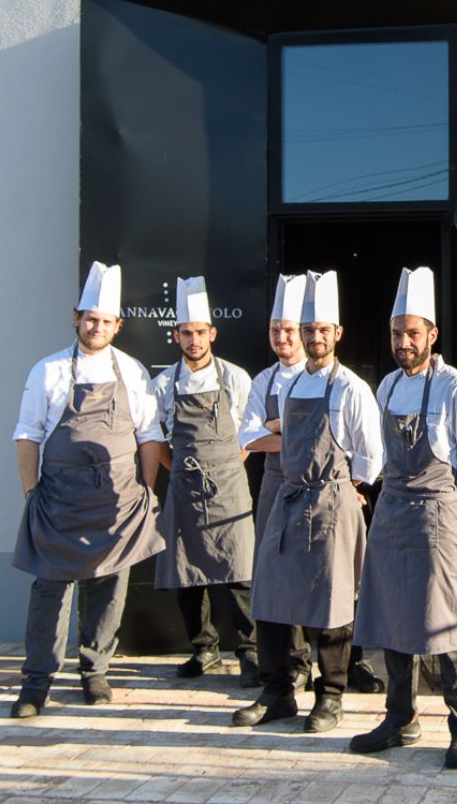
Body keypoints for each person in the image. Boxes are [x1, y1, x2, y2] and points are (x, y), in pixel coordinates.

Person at [9, 261, 164, 718]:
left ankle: (95, 670)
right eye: (90, 319)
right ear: (75, 318)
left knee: (110, 586)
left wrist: (147, 493)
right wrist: (31, 493)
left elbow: (148, 435)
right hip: (58, 500)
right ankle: (36, 682)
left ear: (118, 325)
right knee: (50, 591)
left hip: (116, 501)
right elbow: (27, 434)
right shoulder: (48, 371)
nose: (97, 327)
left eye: (105, 321)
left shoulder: (132, 372)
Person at [350, 266, 457, 770]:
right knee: (390, 615)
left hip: (435, 514)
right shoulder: (385, 387)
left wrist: (443, 511)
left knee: (446, 621)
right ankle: (399, 718)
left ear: (432, 334)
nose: (403, 342)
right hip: (391, 514)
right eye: (396, 333)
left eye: (413, 333)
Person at [236, 270, 384, 733]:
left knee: (334, 599)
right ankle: (278, 690)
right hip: (287, 497)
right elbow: (254, 436)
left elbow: (373, 454)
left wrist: (347, 484)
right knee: (272, 594)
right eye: (308, 330)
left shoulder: (351, 388)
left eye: (322, 330)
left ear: (337, 334)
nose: (314, 337)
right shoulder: (288, 386)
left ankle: (331, 695)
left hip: (333, 502)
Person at [150, 276, 257, 684]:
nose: (194, 340)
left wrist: (227, 465)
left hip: (229, 484)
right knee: (187, 575)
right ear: (176, 335)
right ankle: (204, 648)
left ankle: (249, 650)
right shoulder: (162, 384)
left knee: (239, 573)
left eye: (200, 332)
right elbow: (154, 437)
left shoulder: (235, 378)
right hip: (184, 485)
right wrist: (177, 469)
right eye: (186, 333)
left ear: (212, 333)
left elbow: (248, 434)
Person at [237, 273, 312, 695]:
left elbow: (333, 436)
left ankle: (331, 665)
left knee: (312, 573)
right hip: (273, 487)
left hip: (315, 486)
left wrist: (276, 429)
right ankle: (286, 665)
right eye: (275, 330)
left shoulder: (323, 377)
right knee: (273, 575)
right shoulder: (262, 381)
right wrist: (294, 434)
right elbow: (248, 438)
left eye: (288, 330)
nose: (281, 338)